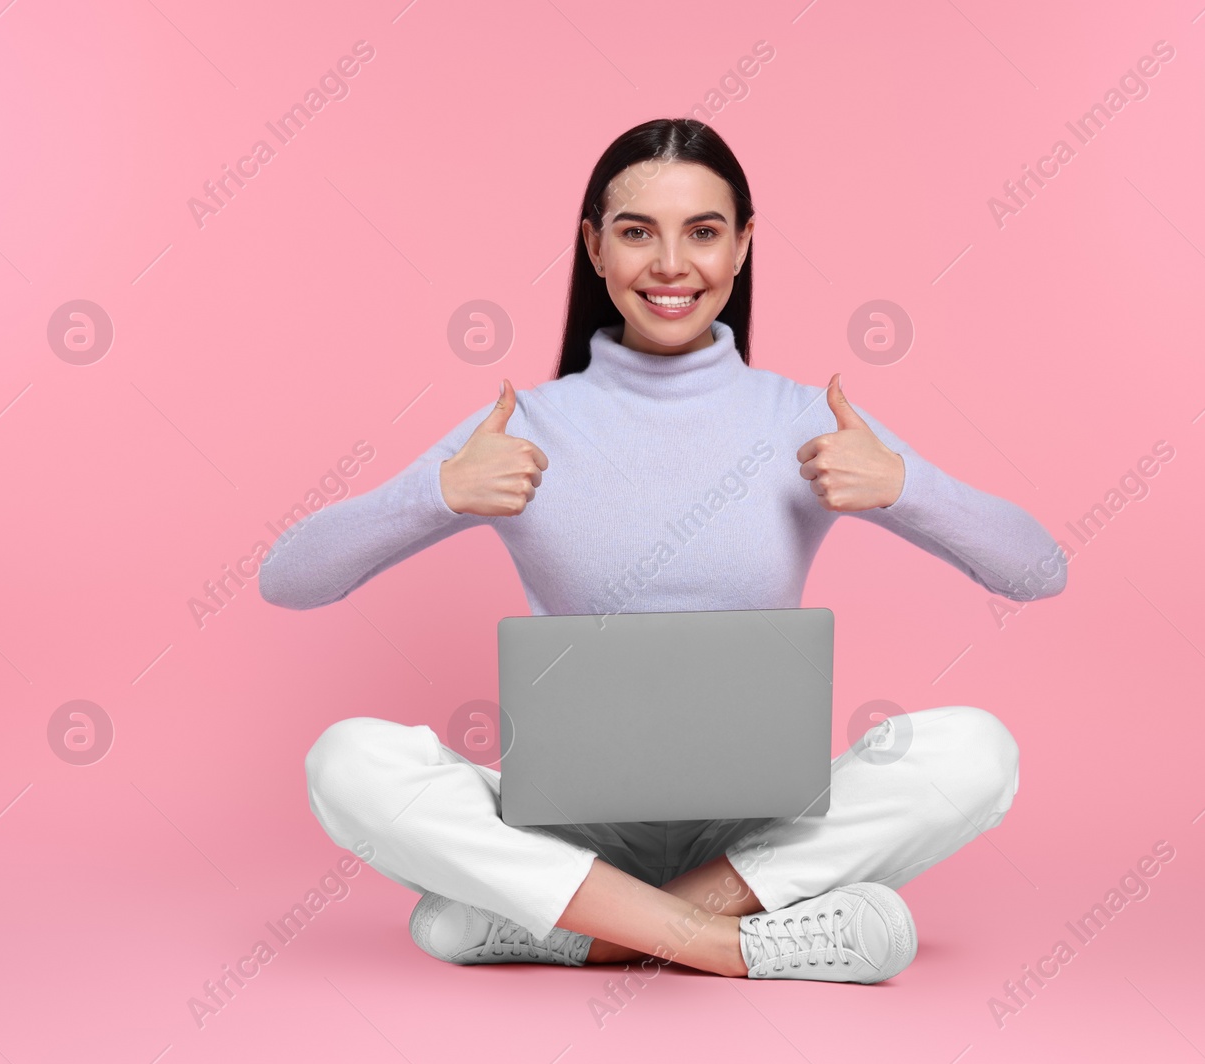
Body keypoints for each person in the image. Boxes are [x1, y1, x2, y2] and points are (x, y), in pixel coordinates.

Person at [260, 118, 1066, 984]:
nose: (671, 264)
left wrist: (905, 483)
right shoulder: (523, 426)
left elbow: (1037, 568)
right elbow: (288, 578)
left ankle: (582, 928)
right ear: (594, 248)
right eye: (637, 231)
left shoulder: (801, 420)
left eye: (704, 232)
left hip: (754, 834)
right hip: (568, 831)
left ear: (743, 246)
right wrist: (436, 493)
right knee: (346, 761)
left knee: (979, 750)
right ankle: (722, 941)